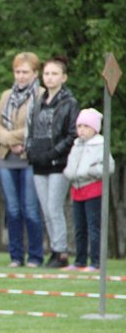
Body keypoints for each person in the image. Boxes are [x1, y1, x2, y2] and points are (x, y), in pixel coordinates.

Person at [0, 52, 44, 268]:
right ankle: (15, 256)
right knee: (12, 209)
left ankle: (35, 256)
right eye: (17, 72)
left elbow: (37, 125)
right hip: (6, 157)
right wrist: (8, 140)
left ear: (35, 73)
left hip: (29, 158)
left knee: (30, 208)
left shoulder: (41, 95)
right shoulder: (6, 95)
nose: (21, 76)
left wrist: (13, 138)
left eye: (25, 72)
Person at [26, 55, 79, 268]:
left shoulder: (69, 103)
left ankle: (61, 252)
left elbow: (72, 134)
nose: (49, 77)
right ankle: (55, 248)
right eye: (46, 73)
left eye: (54, 74)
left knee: (54, 206)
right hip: (39, 162)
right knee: (46, 210)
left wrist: (54, 153)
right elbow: (31, 130)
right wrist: (30, 151)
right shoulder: (38, 102)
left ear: (63, 77)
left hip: (58, 163)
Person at [62, 108, 115, 271]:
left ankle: (96, 262)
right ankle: (80, 261)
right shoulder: (76, 145)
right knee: (79, 228)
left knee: (94, 227)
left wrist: (90, 171)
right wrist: (69, 173)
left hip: (93, 190)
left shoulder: (100, 145)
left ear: (95, 128)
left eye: (86, 126)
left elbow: (109, 167)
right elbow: (71, 165)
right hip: (77, 190)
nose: (82, 130)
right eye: (79, 126)